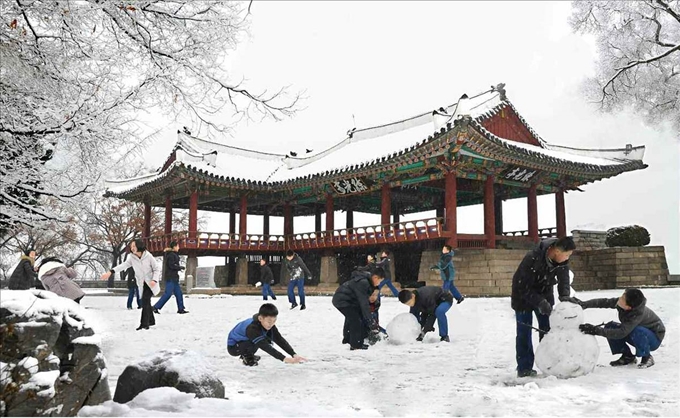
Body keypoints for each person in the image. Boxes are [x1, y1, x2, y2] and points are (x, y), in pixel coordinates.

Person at [511, 236, 576, 377]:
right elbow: (523, 286)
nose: (567, 258)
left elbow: (564, 279)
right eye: (566, 255)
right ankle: (524, 368)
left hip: (545, 292)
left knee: (548, 331)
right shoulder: (533, 258)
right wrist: (540, 302)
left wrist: (564, 297)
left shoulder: (562, 260)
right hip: (522, 297)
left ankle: (549, 364)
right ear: (557, 251)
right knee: (524, 332)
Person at [578, 288, 665, 369]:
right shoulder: (623, 303)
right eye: (623, 295)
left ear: (628, 307)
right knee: (610, 326)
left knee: (636, 330)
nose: (620, 298)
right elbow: (604, 302)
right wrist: (585, 304)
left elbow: (621, 333)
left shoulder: (637, 314)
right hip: (635, 333)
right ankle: (627, 356)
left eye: (623, 298)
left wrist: (595, 330)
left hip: (654, 338)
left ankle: (647, 357)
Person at [101, 239, 161, 331]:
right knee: (146, 301)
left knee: (145, 300)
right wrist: (111, 272)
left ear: (139, 246)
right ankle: (151, 320)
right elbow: (124, 265)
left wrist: (154, 280)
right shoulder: (132, 257)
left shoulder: (148, 256)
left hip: (151, 283)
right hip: (141, 283)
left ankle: (144, 324)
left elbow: (156, 269)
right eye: (131, 246)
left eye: (134, 246)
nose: (132, 248)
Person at [227, 303, 306, 366]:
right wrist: (285, 359)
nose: (271, 324)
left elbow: (279, 339)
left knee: (263, 339)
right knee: (260, 340)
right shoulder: (252, 328)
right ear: (260, 318)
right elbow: (265, 346)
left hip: (245, 342)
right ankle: (247, 356)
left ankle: (247, 353)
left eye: (274, 321)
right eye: (269, 321)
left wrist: (293, 354)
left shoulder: (268, 325)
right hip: (234, 347)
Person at [332, 267, 384, 350]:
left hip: (349, 300)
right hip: (342, 300)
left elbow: (367, 300)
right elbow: (364, 303)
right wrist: (370, 321)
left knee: (352, 318)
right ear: (375, 277)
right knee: (355, 320)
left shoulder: (367, 282)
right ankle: (355, 345)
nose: (379, 284)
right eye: (380, 281)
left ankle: (348, 340)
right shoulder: (363, 283)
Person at [153, 241, 188, 314]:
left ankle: (181, 309)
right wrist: (179, 267)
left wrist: (178, 267)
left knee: (179, 293)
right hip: (170, 277)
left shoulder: (173, 254)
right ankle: (155, 307)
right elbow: (171, 265)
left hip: (174, 278)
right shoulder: (171, 255)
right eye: (178, 246)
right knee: (168, 294)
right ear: (174, 247)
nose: (179, 248)